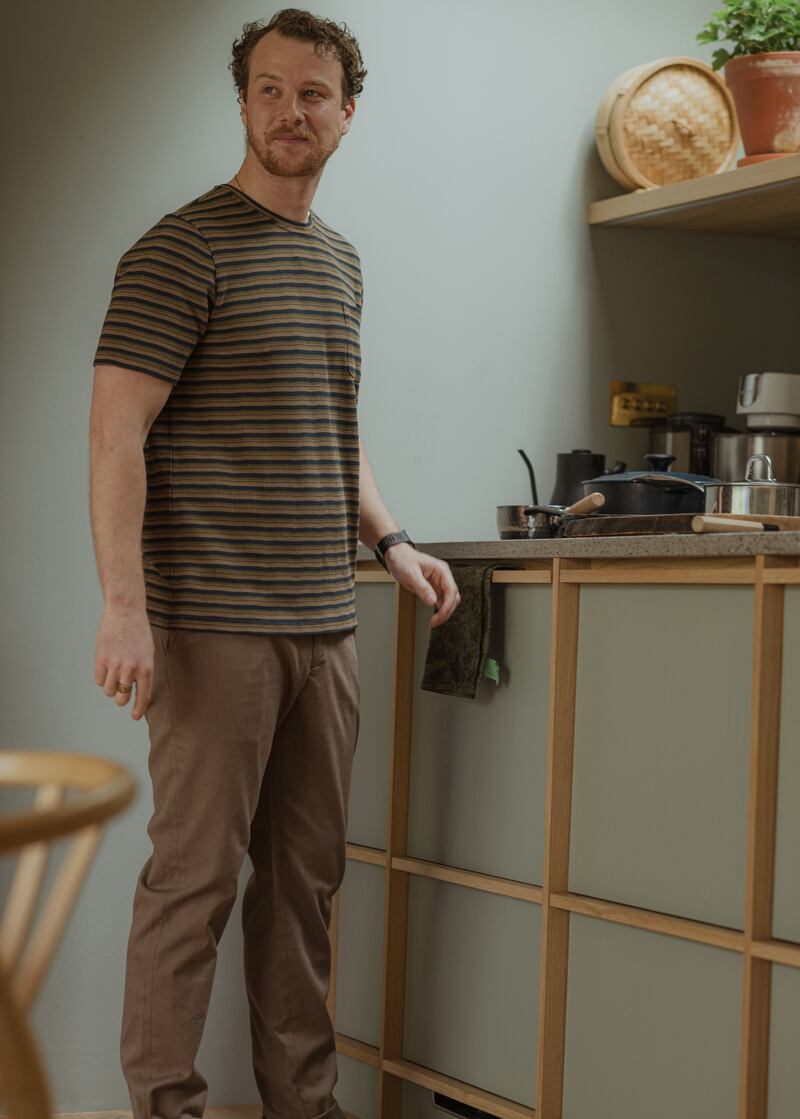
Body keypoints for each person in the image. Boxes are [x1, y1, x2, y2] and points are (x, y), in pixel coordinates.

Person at [88, 9, 460, 1119]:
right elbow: (116, 435)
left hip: (322, 629)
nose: (288, 111)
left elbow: (329, 431)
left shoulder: (337, 263)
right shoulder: (179, 248)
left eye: (312, 92)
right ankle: (166, 1107)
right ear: (242, 103)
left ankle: (303, 1105)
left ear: (347, 110)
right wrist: (125, 610)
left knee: (304, 888)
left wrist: (390, 542)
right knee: (192, 885)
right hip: (210, 630)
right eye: (267, 89)